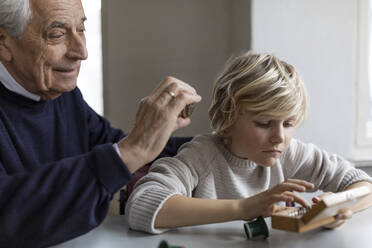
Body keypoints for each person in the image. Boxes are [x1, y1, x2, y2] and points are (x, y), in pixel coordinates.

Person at [0, 0, 201, 247]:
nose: (81, 51)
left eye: (81, 30)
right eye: (57, 34)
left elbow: (112, 145)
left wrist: (219, 144)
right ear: (3, 41)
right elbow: (8, 216)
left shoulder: (62, 94)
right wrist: (132, 150)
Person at [125, 51, 372, 234]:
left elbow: (364, 185)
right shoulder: (201, 156)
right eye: (264, 123)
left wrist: (336, 208)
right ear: (228, 117)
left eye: (288, 124)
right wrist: (246, 207)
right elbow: (142, 204)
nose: (279, 137)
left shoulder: (292, 153)